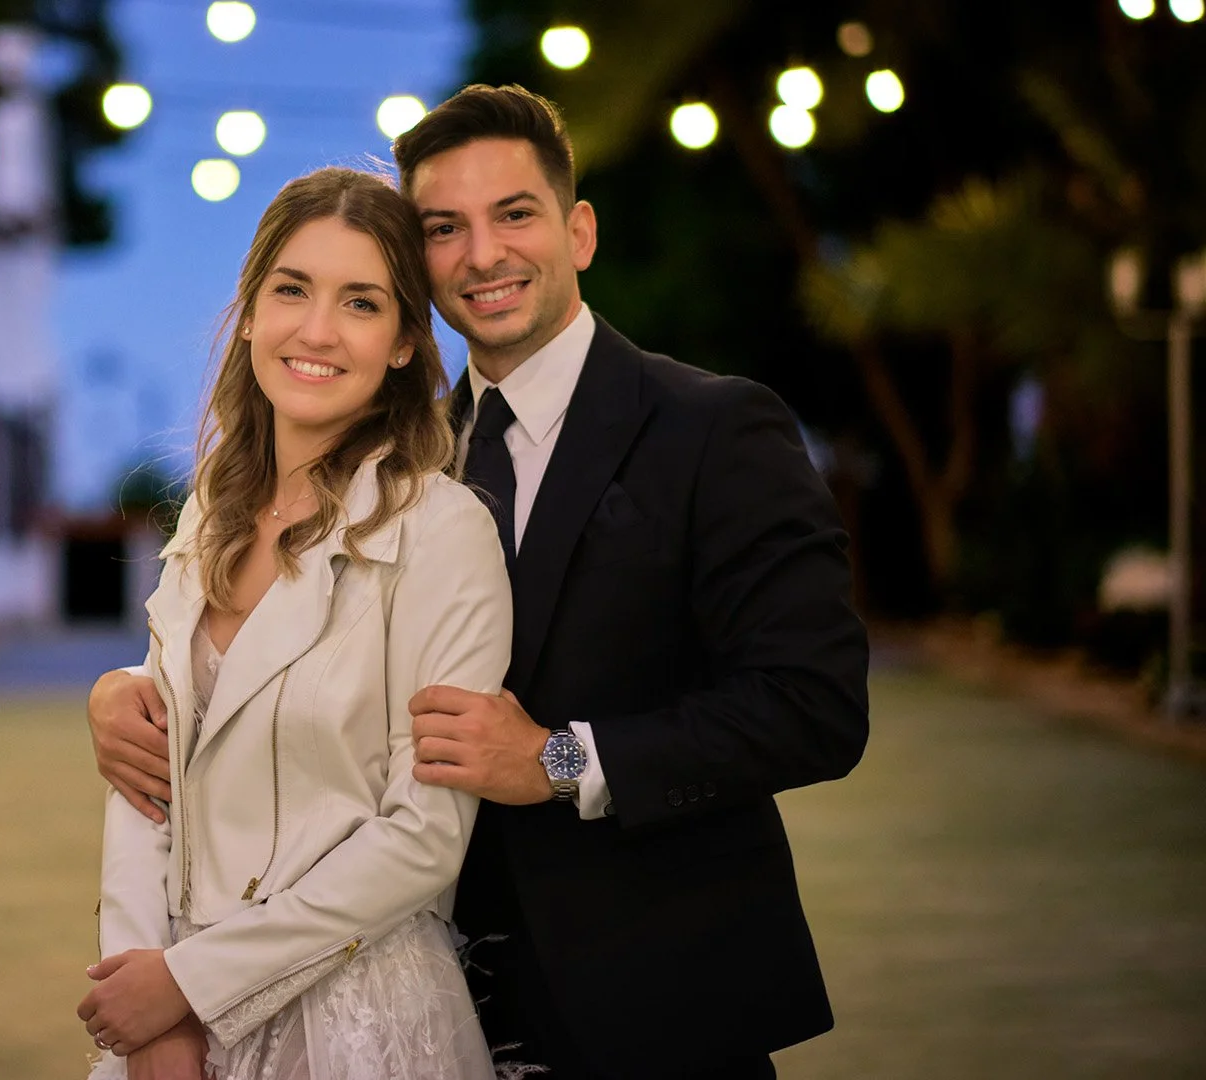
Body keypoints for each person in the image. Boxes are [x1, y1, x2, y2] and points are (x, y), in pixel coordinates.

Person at [88, 84, 871, 1078]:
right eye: (444, 228)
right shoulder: (397, 458)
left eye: (515, 215)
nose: (482, 254)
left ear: (579, 230)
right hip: (437, 994)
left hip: (651, 1000)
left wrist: (558, 759)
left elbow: (816, 707)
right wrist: (128, 697)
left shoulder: (714, 428)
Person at [77, 166, 515, 1080]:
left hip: (357, 1018)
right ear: (247, 314)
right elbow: (148, 776)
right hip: (169, 1017)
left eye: (361, 302)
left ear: (404, 343)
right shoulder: (208, 510)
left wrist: (190, 985)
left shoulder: (443, 531)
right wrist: (147, 1016)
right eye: (292, 290)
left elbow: (424, 838)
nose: (316, 331)